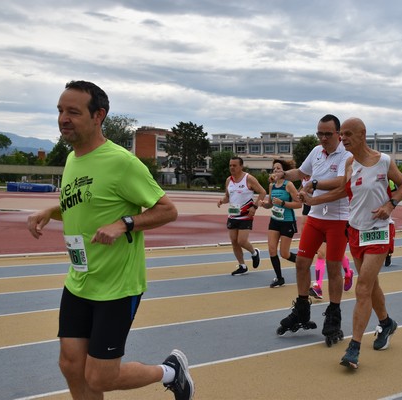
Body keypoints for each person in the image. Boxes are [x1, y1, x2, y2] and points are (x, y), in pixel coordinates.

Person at [26, 81, 193, 400]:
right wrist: (51, 210)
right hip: (79, 280)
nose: (63, 118)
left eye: (73, 112)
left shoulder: (121, 162)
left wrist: (125, 223)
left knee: (101, 376)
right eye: (60, 111)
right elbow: (85, 203)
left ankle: (171, 371)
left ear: (98, 115)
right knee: (70, 365)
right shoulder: (74, 158)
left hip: (116, 286)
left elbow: (167, 210)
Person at [301, 117, 402, 369]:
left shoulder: (383, 162)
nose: (344, 138)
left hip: (380, 231)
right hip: (356, 232)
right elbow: (342, 191)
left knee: (362, 288)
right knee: (371, 287)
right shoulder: (350, 163)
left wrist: (389, 205)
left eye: (348, 134)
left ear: (362, 134)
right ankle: (386, 322)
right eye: (343, 134)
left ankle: (354, 348)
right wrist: (313, 201)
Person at [275, 114, 352, 346]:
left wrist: (314, 183)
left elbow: (342, 182)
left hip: (338, 219)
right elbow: (301, 172)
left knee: (333, 266)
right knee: (301, 262)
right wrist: (283, 174)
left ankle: (334, 315)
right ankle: (301, 309)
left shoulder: (347, 155)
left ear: (339, 134)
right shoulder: (317, 151)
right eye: (320, 133)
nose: (324, 138)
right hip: (315, 217)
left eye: (328, 134)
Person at [218, 157, 266, 276]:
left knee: (242, 241)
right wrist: (222, 201)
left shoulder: (248, 178)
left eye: (234, 165)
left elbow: (263, 192)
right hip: (232, 215)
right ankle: (242, 266)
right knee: (234, 242)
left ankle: (254, 253)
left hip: (245, 215)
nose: (232, 168)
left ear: (241, 166)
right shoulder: (229, 180)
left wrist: (254, 207)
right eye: (230, 165)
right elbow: (227, 197)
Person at [260, 159, 301, 287]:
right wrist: (264, 204)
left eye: (278, 168)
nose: (275, 171)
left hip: (287, 222)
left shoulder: (288, 185)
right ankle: (279, 278)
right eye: (274, 169)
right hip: (275, 221)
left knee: (284, 254)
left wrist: (283, 203)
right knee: (272, 249)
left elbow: (299, 204)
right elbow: (271, 204)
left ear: (284, 172)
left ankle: (302, 262)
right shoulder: (272, 185)